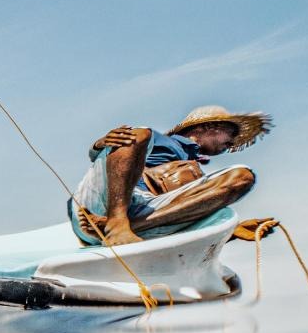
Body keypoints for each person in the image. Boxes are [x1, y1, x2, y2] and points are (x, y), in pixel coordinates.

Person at [70, 105, 269, 248]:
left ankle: (121, 227)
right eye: (230, 133)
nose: (232, 142)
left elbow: (187, 206)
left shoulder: (195, 168)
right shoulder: (161, 140)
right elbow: (102, 155)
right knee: (138, 134)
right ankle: (117, 220)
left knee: (242, 177)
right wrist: (98, 144)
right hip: (107, 203)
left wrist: (228, 231)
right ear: (208, 127)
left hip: (143, 222)